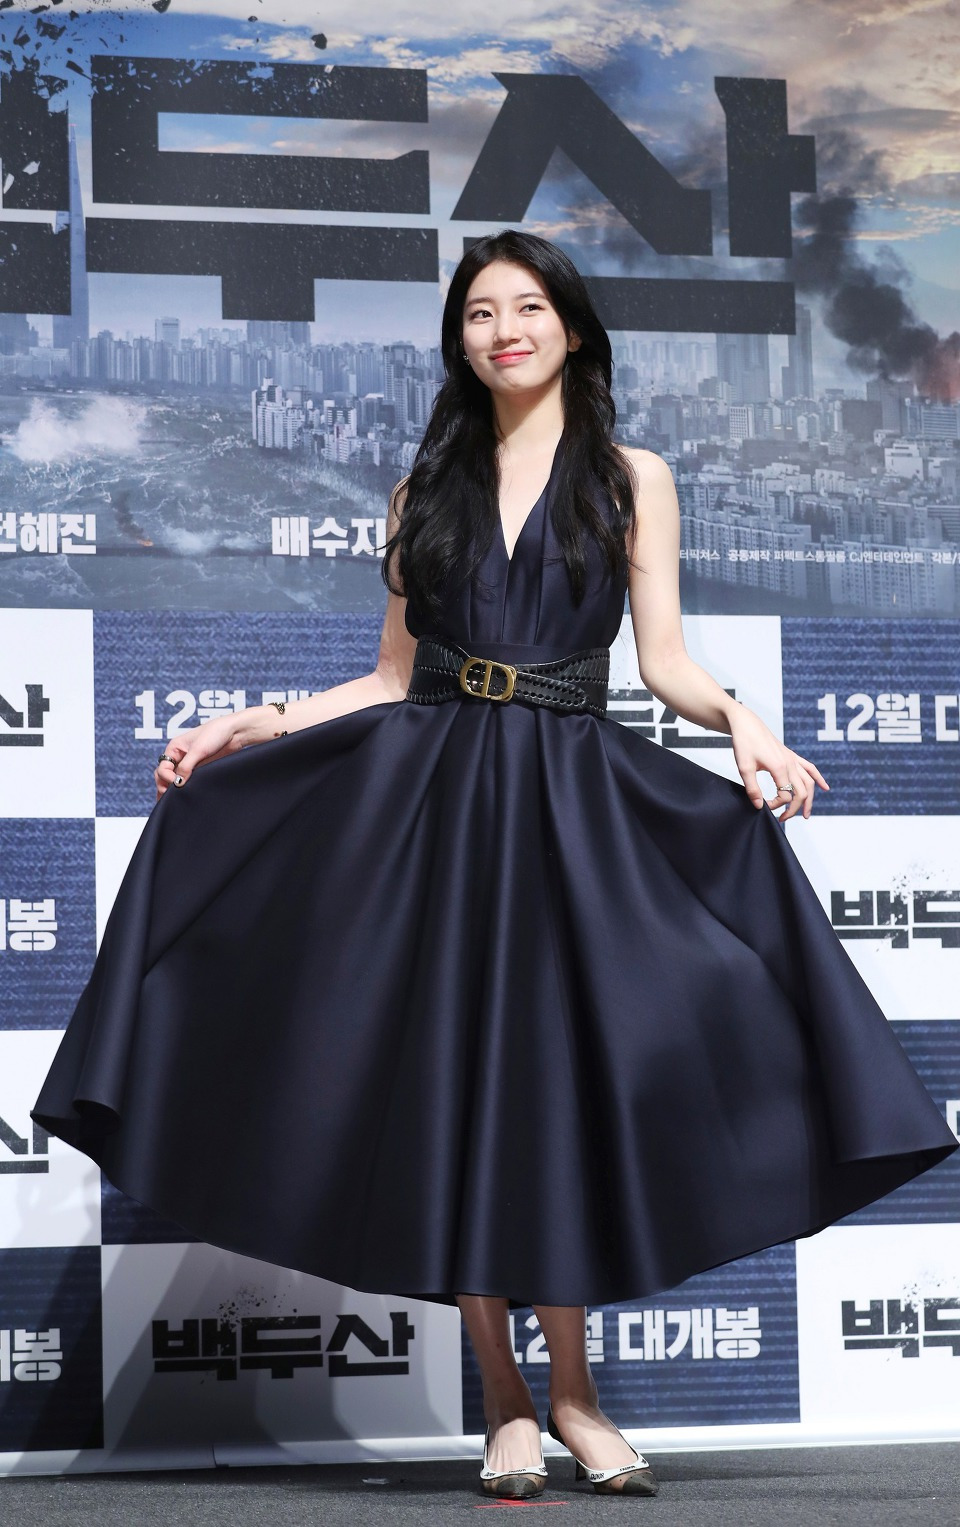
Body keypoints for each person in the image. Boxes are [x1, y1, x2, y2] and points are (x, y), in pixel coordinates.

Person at [32, 231, 957, 1502]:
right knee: (456, 1091)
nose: (503, 329)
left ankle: (577, 1394)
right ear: (460, 340)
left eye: (526, 307)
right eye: (479, 312)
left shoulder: (631, 477)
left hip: (568, 804)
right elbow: (390, 677)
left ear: (570, 328)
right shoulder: (424, 486)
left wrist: (744, 724)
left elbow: (664, 662)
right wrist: (254, 722)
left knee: (552, 1094)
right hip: (436, 805)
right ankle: (509, 1400)